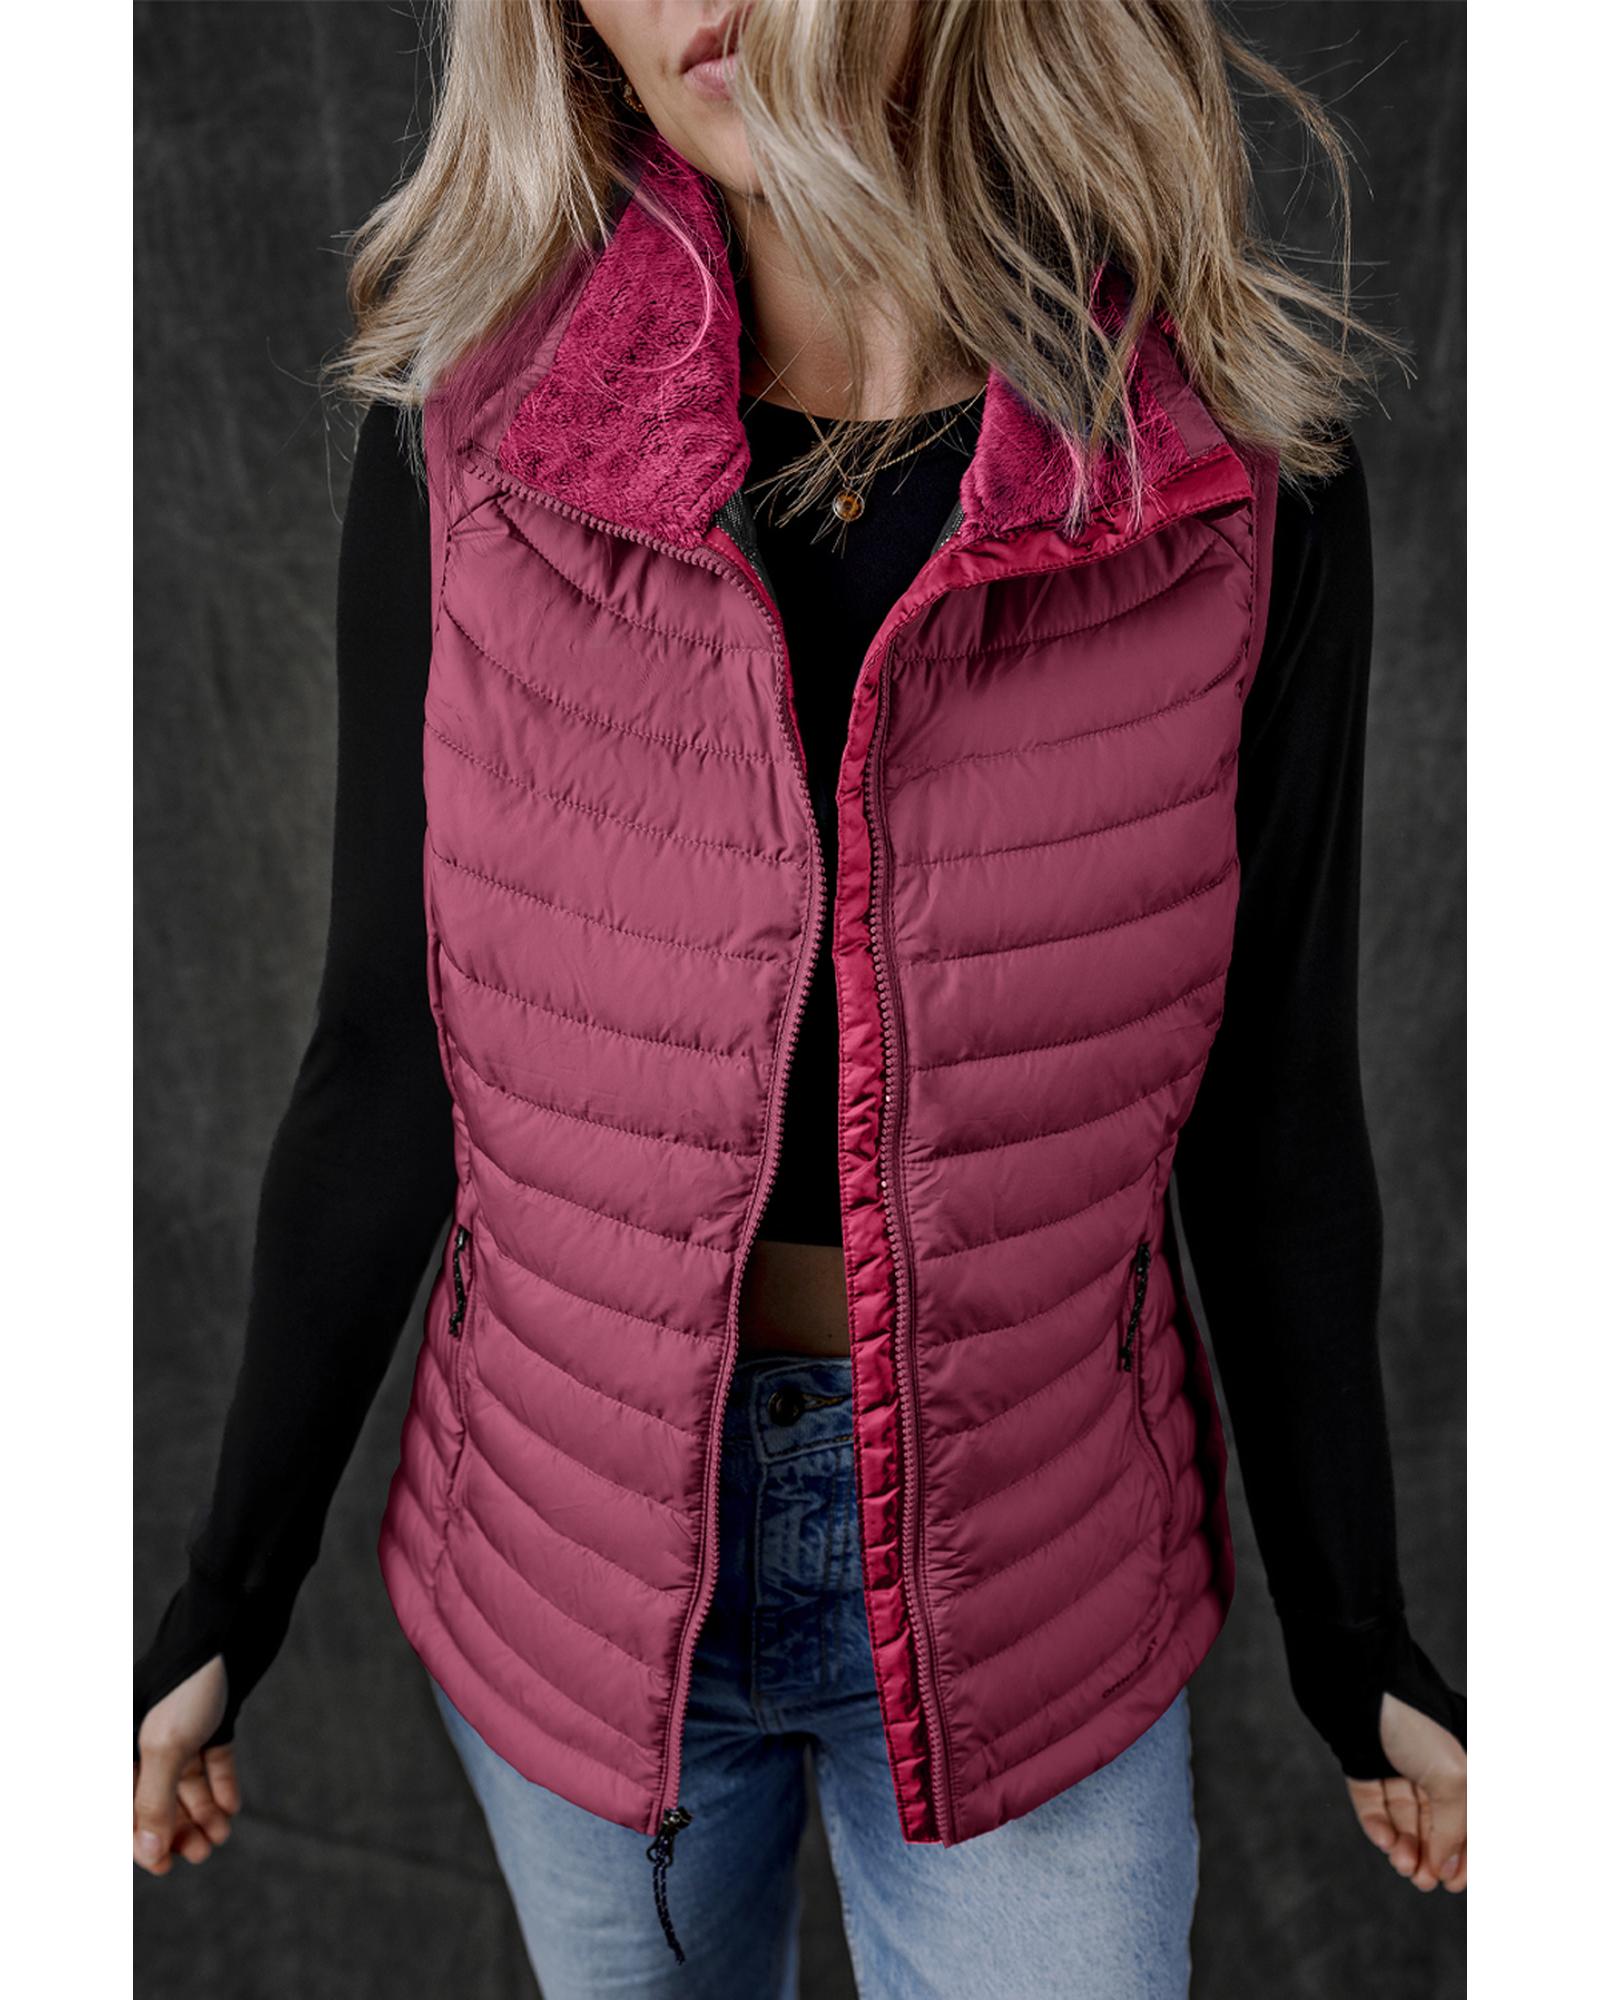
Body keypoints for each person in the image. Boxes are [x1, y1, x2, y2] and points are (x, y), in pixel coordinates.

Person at [133, 2, 1467, 1991]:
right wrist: (223, 1599)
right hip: (574, 1573)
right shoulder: (472, 435)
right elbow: (392, 1050)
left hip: (1031, 1582)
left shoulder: (1231, 483)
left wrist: (1358, 1641)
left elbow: (1270, 1112)